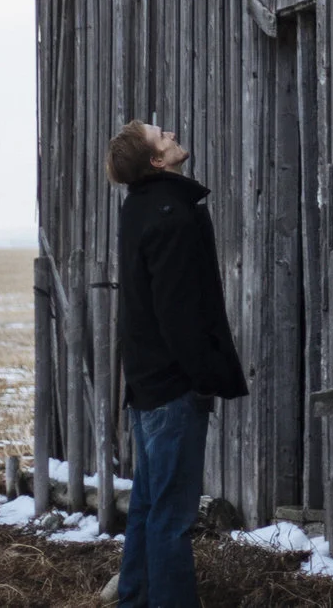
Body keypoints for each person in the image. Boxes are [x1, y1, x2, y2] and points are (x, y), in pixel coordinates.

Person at [108, 121, 248, 608]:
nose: (170, 133)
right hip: (172, 389)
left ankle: (134, 601)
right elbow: (180, 313)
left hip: (147, 386)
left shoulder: (140, 209)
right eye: (161, 135)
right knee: (171, 517)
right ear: (156, 161)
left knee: (149, 508)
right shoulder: (174, 215)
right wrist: (205, 376)